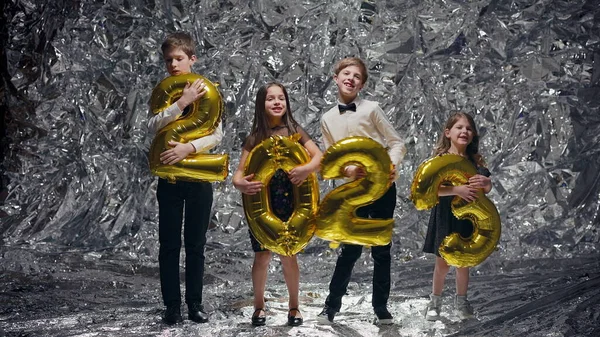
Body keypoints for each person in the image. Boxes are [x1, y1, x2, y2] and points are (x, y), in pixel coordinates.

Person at [317, 57, 406, 325]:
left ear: (362, 84)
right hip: (353, 192)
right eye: (346, 73)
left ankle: (381, 307)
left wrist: (390, 164)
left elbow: (396, 142)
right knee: (350, 249)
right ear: (336, 78)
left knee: (381, 249)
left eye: (357, 76)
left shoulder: (372, 109)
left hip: (382, 188)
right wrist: (347, 172)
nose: (351, 78)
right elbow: (329, 162)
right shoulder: (327, 118)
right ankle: (330, 307)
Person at [147, 32, 224, 325]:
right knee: (168, 244)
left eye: (179, 59)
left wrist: (188, 148)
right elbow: (153, 125)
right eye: (169, 60)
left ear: (193, 59)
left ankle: (195, 304)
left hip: (198, 180)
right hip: (170, 182)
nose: (173, 65)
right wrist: (180, 103)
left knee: (195, 244)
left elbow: (217, 134)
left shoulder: (210, 91)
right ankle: (172, 307)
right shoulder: (165, 92)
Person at [232, 82, 323, 327]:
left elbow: (320, 157)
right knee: (262, 257)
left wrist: (305, 169)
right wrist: (242, 185)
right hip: (262, 203)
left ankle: (294, 307)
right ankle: (259, 306)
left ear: (287, 103)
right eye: (270, 98)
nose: (276, 102)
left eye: (281, 98)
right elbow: (238, 175)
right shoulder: (255, 138)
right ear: (261, 104)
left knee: (289, 254)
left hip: (290, 200)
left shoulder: (294, 130)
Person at [422, 112, 492, 321]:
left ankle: (461, 301)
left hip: (467, 218)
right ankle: (435, 301)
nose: (464, 131)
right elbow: (431, 190)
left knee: (464, 262)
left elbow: (485, 187)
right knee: (442, 263)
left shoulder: (475, 161)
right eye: (459, 127)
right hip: (445, 216)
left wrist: (487, 185)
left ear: (473, 135)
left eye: (469, 129)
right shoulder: (440, 161)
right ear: (448, 132)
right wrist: (456, 190)